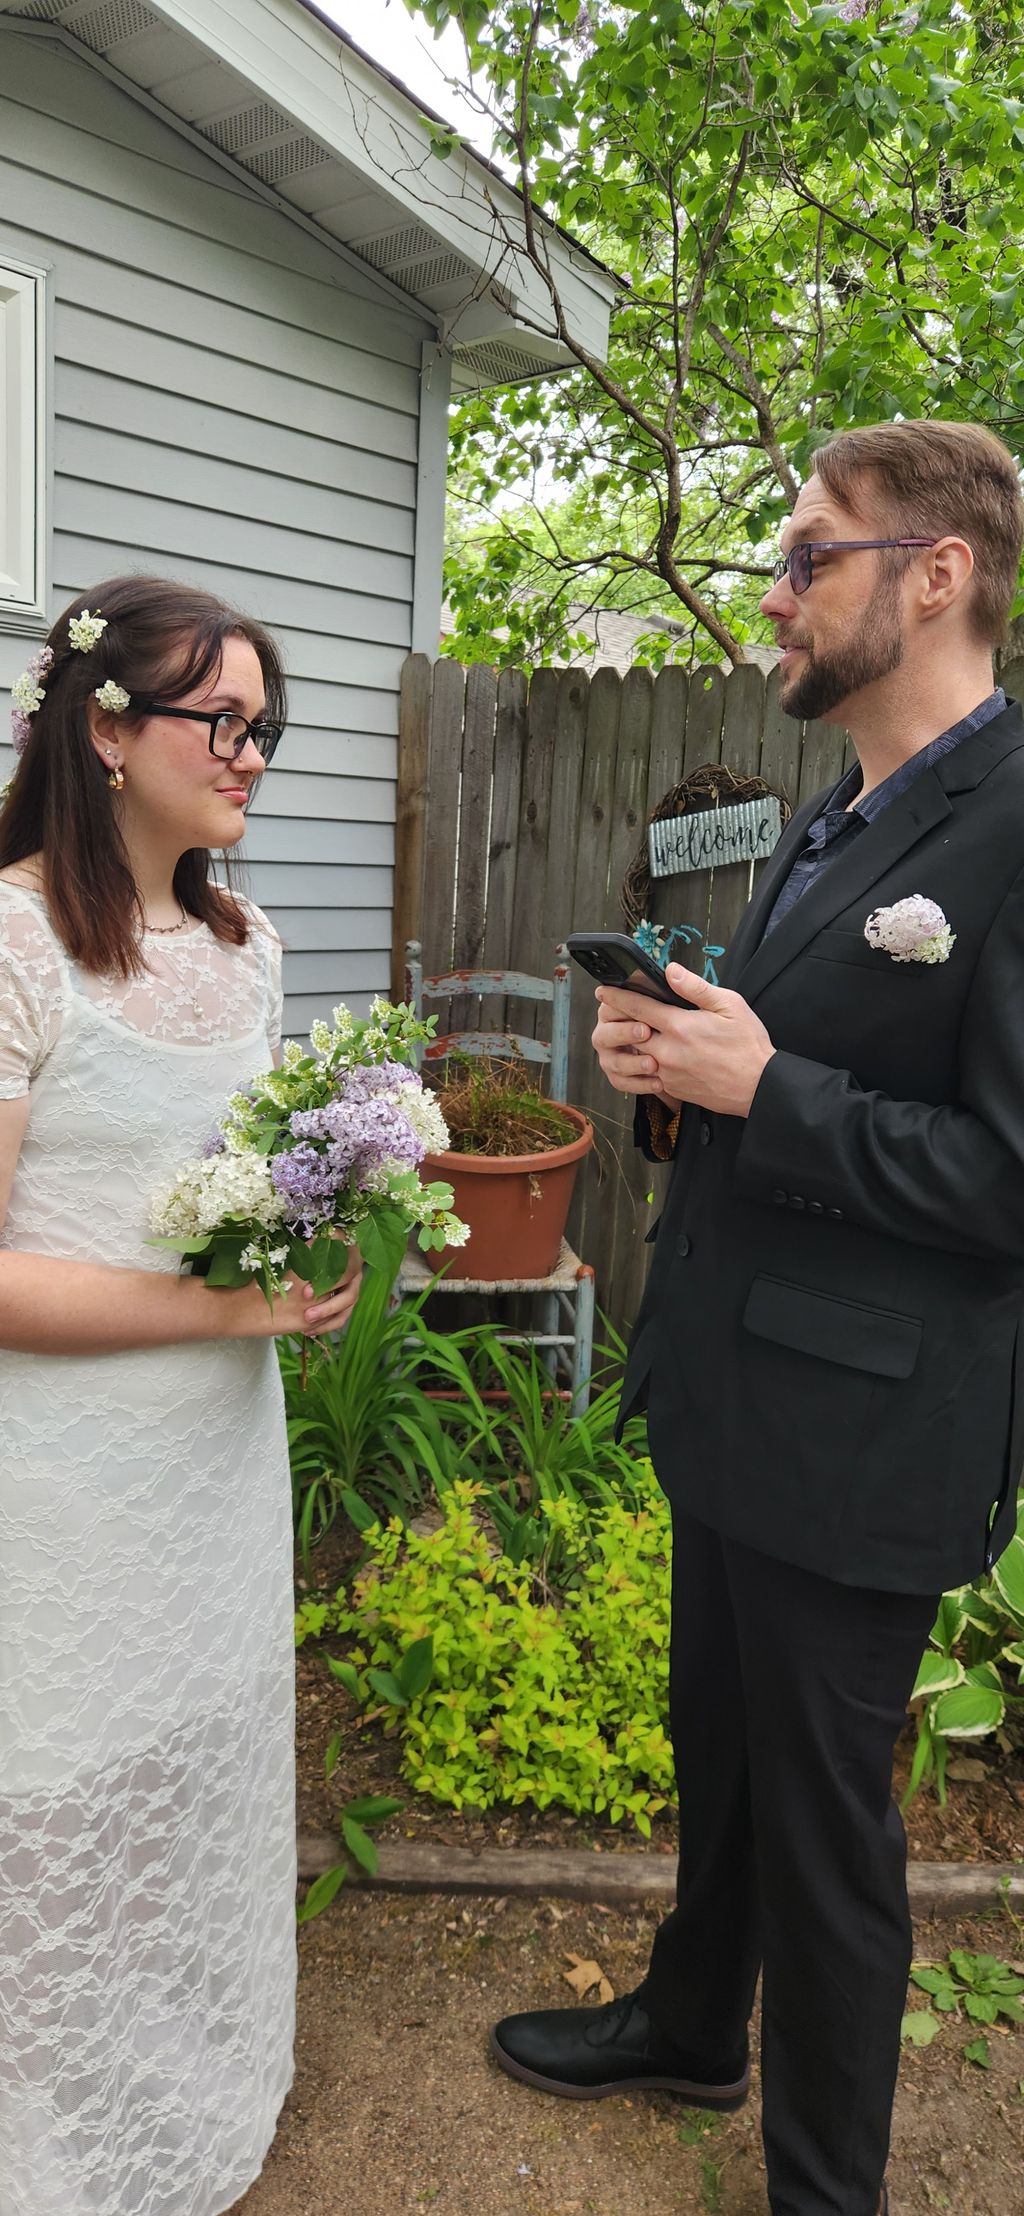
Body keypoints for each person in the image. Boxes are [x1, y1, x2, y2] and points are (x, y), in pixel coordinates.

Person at [490, 419, 1024, 2216]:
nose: (774, 598)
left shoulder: (1017, 824)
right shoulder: (839, 815)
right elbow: (788, 1082)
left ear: (933, 576)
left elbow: (1007, 1178)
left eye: (807, 558)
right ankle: (690, 2024)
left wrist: (765, 1084)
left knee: (826, 1838)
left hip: (864, 1431)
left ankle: (820, 2191)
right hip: (733, 1398)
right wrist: (674, 1070)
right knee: (714, 1751)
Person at [0, 577, 361, 2216]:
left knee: (194, 1757)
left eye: (266, 728)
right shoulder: (13, 939)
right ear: (105, 725)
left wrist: (309, 1253)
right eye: (225, 721)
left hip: (215, 1454)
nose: (255, 755)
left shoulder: (247, 942)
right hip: (56, 1470)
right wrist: (220, 1299)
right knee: (55, 1789)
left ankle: (189, 2065)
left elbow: (235, 1190)